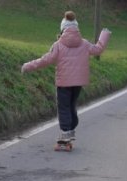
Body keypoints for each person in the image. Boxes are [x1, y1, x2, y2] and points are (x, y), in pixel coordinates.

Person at [21, 11, 111, 142]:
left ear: (63, 29)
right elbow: (98, 49)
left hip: (63, 83)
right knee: (71, 105)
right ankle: (71, 128)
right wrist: (104, 35)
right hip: (78, 83)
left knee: (63, 107)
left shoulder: (58, 45)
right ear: (76, 28)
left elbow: (45, 60)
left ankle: (65, 132)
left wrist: (27, 66)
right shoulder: (84, 43)